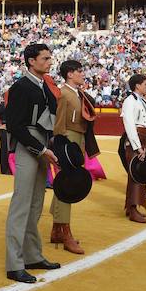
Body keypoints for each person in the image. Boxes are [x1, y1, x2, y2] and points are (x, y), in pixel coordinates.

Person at [4, 43, 61, 284]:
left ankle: (32, 255)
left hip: (42, 144)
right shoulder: (20, 87)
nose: (50, 62)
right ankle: (14, 264)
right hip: (30, 146)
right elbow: (14, 125)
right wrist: (41, 148)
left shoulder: (43, 86)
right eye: (45, 58)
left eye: (50, 58)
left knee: (36, 203)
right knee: (21, 203)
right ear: (31, 61)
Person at [48, 60, 88, 255]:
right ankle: (65, 232)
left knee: (65, 182)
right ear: (70, 74)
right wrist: (61, 145)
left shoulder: (75, 93)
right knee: (68, 184)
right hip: (68, 137)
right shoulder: (64, 93)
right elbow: (59, 122)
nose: (83, 74)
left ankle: (57, 229)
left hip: (77, 138)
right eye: (79, 71)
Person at [121, 74, 146, 223]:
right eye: (145, 84)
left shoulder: (138, 100)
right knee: (136, 173)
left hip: (141, 138)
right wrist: (138, 146)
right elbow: (129, 125)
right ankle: (133, 210)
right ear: (137, 86)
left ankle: (131, 207)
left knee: (137, 173)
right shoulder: (129, 101)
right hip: (136, 139)